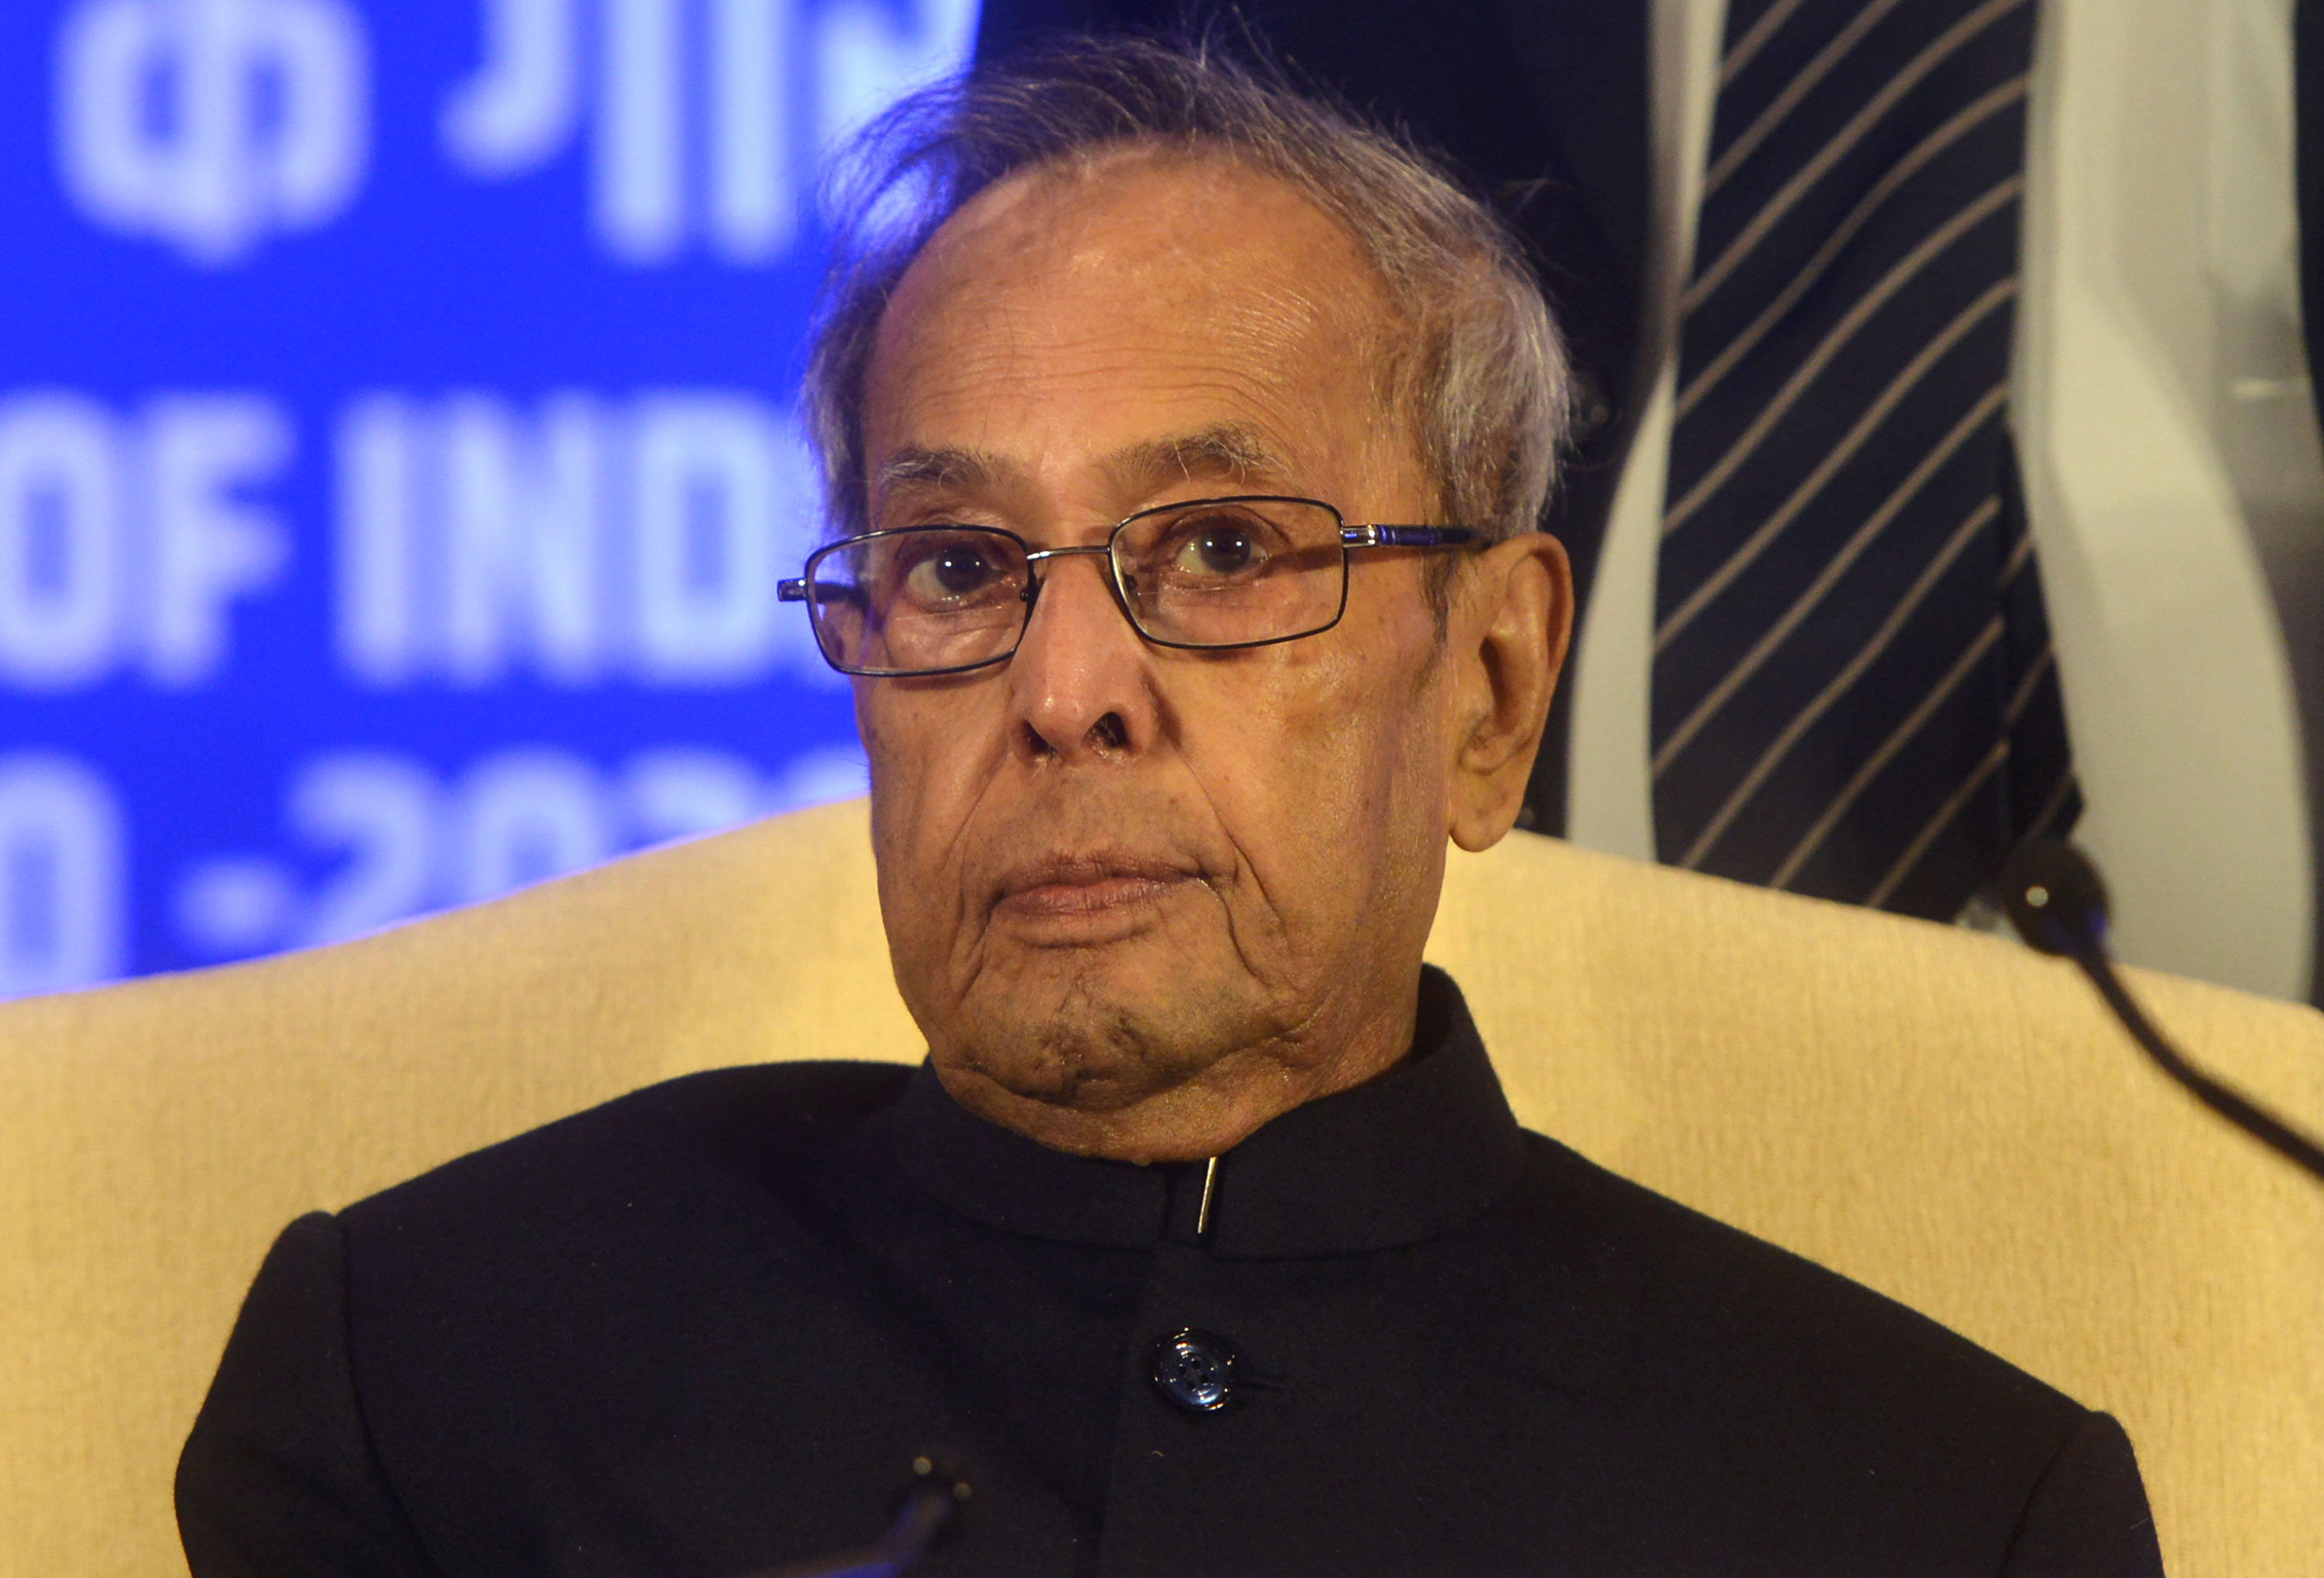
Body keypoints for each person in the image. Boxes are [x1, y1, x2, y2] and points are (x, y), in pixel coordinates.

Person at [175, 37, 2162, 1576]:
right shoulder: (432, 1366)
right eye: (956, 565)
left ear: (1490, 692)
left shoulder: (1936, 1505)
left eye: (1220, 549)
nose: (1062, 693)